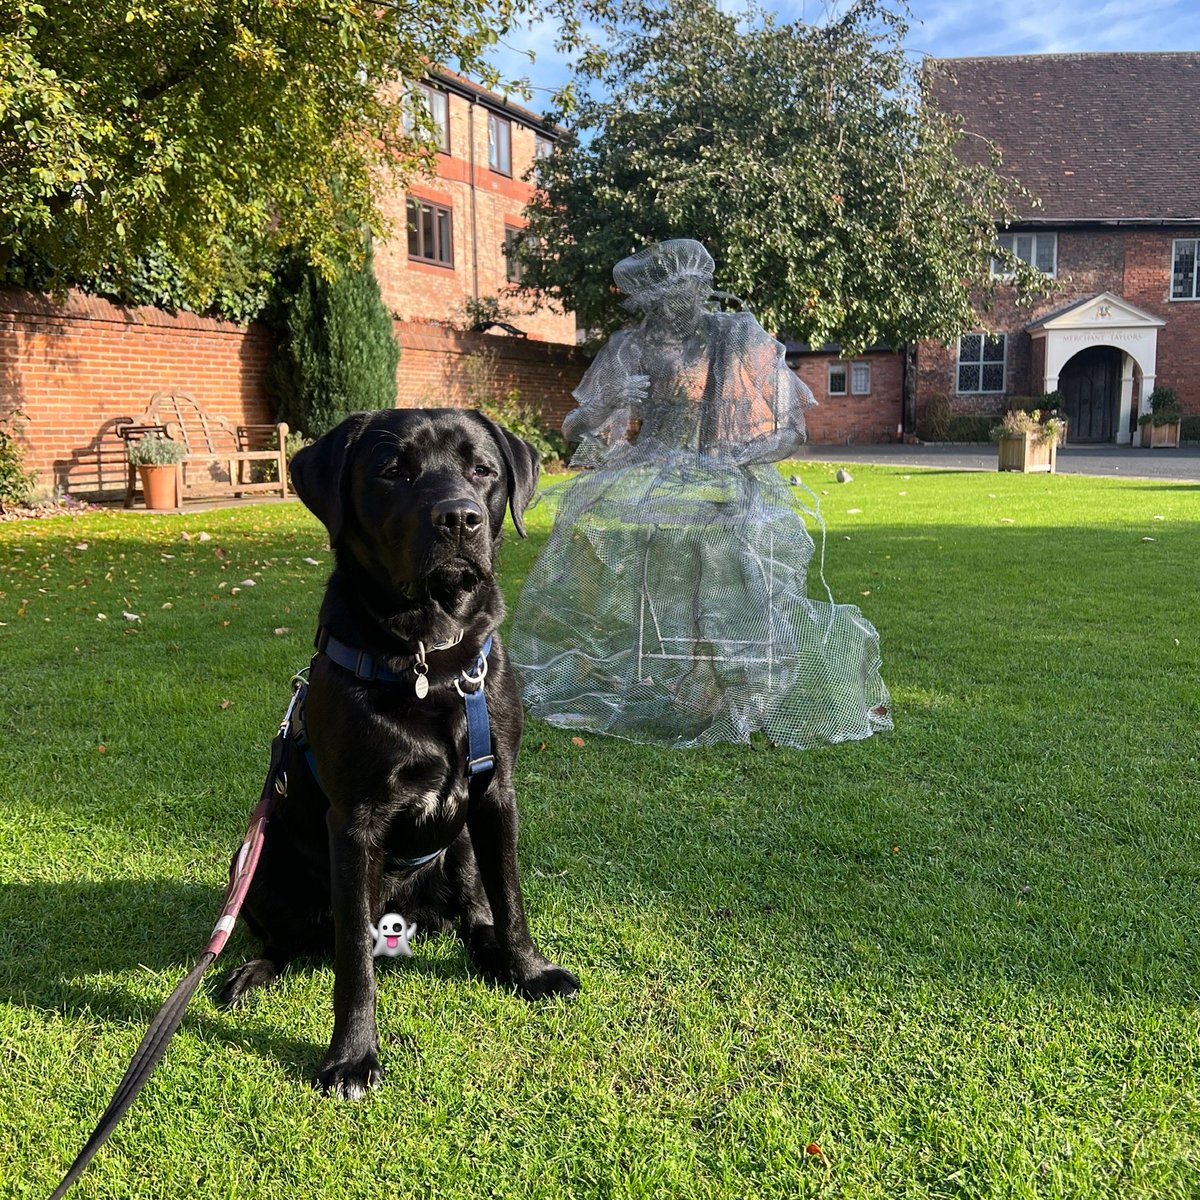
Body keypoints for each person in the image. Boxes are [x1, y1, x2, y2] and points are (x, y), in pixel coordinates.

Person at [508, 239, 890, 749]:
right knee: (594, 535)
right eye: (677, 295)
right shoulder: (629, 346)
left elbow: (791, 429)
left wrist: (739, 456)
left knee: (738, 548)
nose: (690, 303)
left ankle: (731, 683)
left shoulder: (732, 333)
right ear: (650, 297)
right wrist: (610, 402)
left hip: (719, 469)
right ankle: (640, 669)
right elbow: (574, 426)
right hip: (645, 470)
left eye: (699, 290)